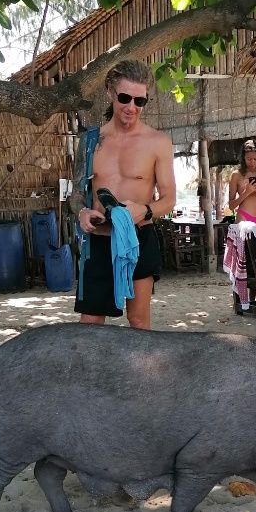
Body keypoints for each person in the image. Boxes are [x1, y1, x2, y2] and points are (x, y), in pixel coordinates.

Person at [72, 60, 175, 330]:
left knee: (139, 321)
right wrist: (82, 212)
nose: (132, 107)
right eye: (125, 97)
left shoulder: (158, 143)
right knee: (90, 324)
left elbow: (168, 199)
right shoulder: (90, 141)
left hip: (138, 239)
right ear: (110, 92)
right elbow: (75, 193)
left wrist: (146, 211)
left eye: (140, 101)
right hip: (98, 242)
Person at [228, 139, 256, 242]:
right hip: (244, 217)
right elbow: (231, 206)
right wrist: (246, 192)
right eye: (249, 159)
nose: (252, 162)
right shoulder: (236, 175)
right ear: (243, 157)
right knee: (244, 255)